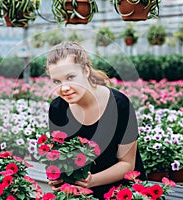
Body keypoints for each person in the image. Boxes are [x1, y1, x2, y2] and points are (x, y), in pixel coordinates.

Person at [46, 41, 146, 199]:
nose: (64, 88)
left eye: (70, 77)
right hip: (80, 193)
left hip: (122, 192)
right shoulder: (58, 109)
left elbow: (127, 164)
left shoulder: (120, 105)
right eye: (57, 81)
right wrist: (58, 177)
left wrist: (92, 181)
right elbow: (62, 156)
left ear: (85, 71)